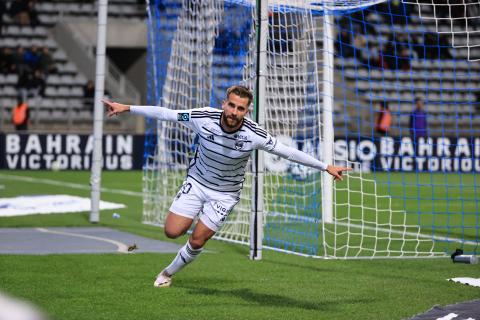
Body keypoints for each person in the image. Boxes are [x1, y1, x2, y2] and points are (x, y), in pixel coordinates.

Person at [103, 85, 351, 288]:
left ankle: (167, 273)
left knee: (198, 241)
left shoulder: (254, 134)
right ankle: (192, 218)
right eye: (231, 105)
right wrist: (128, 108)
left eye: (240, 108)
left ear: (246, 111)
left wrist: (324, 166)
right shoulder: (202, 118)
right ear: (224, 103)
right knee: (172, 231)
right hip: (197, 183)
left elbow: (287, 152)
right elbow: (167, 113)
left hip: (225, 194)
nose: (234, 111)